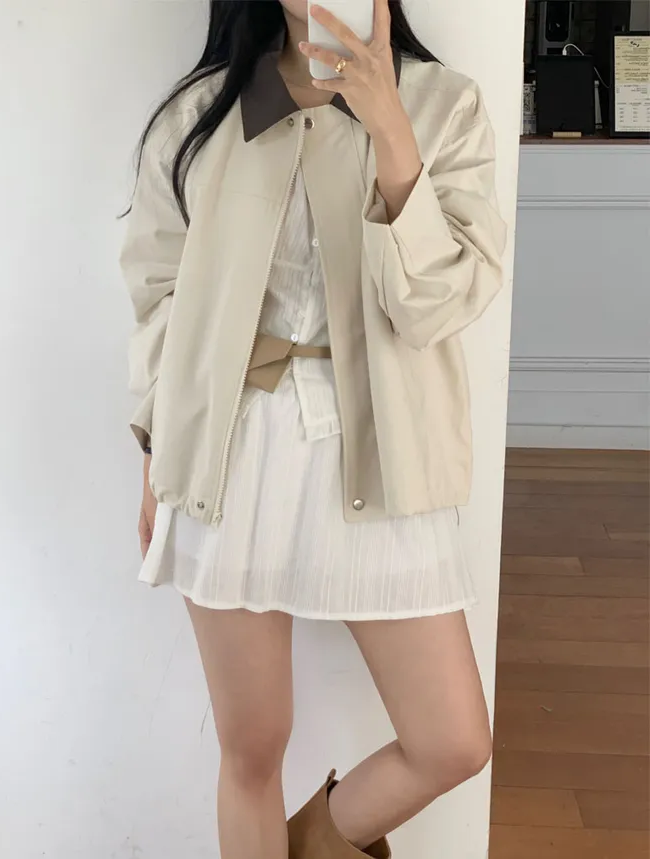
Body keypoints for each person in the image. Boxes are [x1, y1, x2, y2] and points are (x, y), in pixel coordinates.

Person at [120, 0, 507, 855]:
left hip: (384, 457)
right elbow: (158, 299)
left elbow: (438, 304)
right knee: (251, 747)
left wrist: (391, 131)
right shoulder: (199, 116)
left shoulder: (443, 105)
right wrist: (154, 449)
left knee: (452, 739)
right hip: (228, 461)